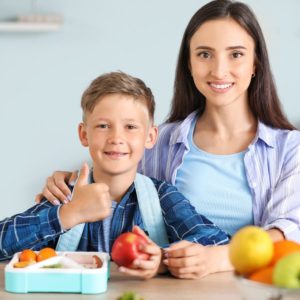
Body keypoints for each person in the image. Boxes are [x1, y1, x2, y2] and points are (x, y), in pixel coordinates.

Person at [36, 0, 300, 279]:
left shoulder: (290, 149)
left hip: (255, 289)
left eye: (236, 54)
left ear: (255, 62)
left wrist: (218, 258)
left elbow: (291, 230)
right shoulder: (160, 143)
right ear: (188, 63)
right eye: (204, 54)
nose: (219, 70)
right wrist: (69, 183)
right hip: (172, 290)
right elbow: (116, 191)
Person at [0, 71, 229, 279]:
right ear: (84, 134)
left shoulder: (162, 197)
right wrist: (68, 214)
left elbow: (214, 240)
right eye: (103, 126)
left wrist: (162, 259)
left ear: (150, 137)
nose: (116, 138)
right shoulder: (66, 196)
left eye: (130, 127)